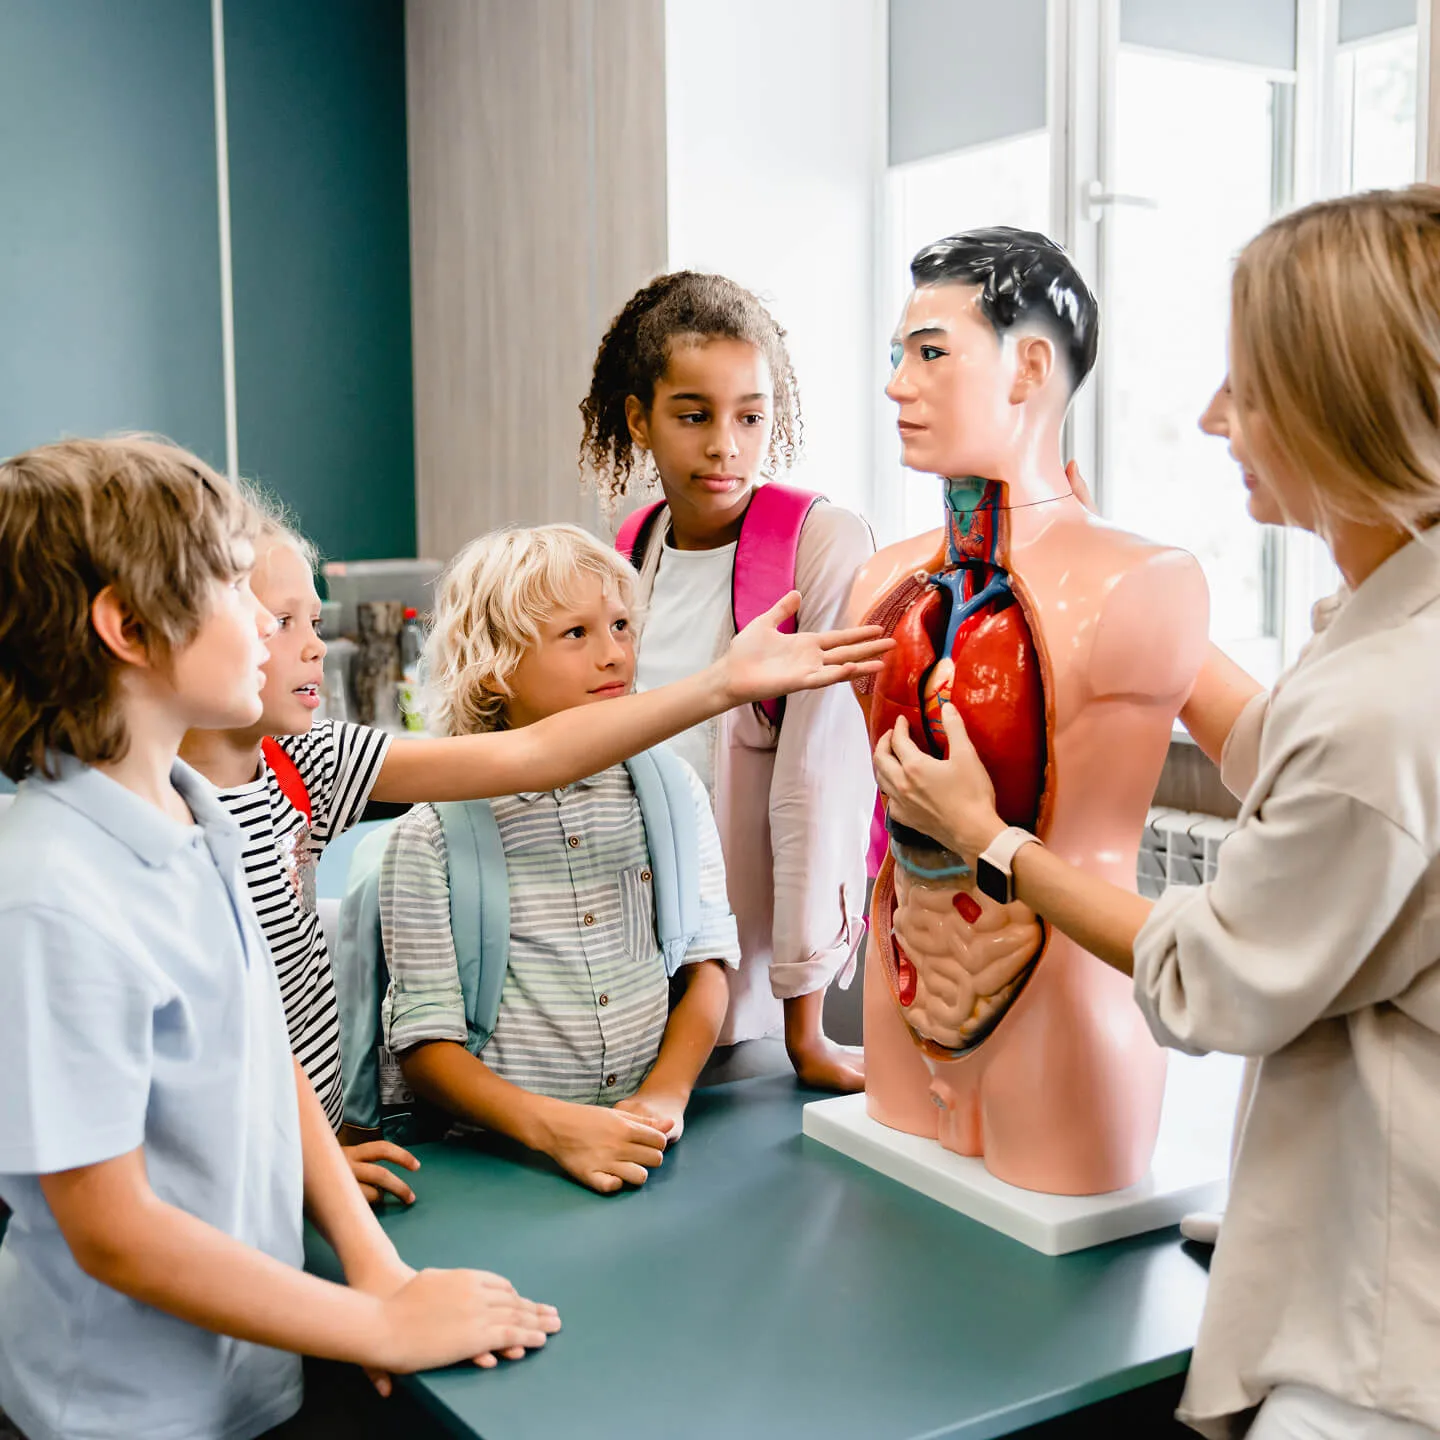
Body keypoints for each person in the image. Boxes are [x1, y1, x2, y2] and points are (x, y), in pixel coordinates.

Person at [874, 187, 1440, 1437]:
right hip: (914, 1002)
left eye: (1251, 385)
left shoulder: (1173, 598)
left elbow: (1221, 975)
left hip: (1378, 1320)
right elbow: (1274, 745)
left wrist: (992, 843)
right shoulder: (1372, 639)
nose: (1210, 419)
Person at [0, 437, 559, 1440]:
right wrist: (373, 1330)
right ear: (127, 627)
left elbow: (268, 1053)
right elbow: (114, 1233)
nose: (266, 619)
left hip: (257, 1373)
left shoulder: (196, 811)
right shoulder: (46, 893)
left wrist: (378, 1273)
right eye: (229, 582)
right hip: (122, 1415)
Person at [179, 495, 891, 1198]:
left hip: (308, 1153)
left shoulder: (310, 764)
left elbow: (535, 757)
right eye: (278, 621)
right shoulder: (172, 819)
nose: (314, 642)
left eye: (620, 625)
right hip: (241, 1166)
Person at [581, 271, 877, 1091]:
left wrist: (804, 1032)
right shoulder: (631, 543)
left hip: (753, 997)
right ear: (639, 418)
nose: (726, 446)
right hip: (644, 964)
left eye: (751, 416)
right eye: (694, 416)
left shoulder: (821, 544)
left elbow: (818, 784)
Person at [377, 526, 736, 1193]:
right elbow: (425, 1049)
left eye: (623, 625)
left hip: (648, 1152)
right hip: (498, 1165)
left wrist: (665, 1095)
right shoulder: (430, 835)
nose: (614, 655)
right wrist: (556, 1129)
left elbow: (705, 967)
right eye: (577, 634)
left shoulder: (673, 790)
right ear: (495, 665)